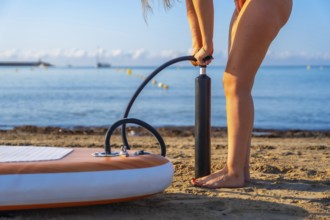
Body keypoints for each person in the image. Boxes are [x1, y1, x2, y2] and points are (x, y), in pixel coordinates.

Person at [142, 0, 293, 188]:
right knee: (238, 84)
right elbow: (192, 4)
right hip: (245, 4)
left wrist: (207, 43)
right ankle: (241, 169)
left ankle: (234, 172)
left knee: (235, 82)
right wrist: (198, 44)